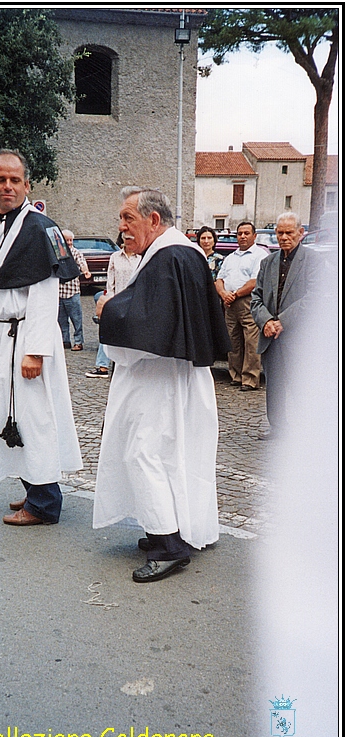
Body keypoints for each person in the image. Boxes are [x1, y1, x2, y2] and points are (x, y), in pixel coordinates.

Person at [93, 187, 231, 583]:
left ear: (154, 220)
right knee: (175, 456)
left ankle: (168, 545)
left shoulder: (168, 256)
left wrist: (106, 310)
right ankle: (176, 529)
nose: (121, 229)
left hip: (158, 380)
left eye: (127, 219)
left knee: (144, 453)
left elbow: (145, 323)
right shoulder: (180, 254)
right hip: (175, 377)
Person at [0, 148, 83, 525]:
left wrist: (34, 352)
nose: (7, 186)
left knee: (33, 417)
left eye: (14, 180)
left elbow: (44, 295)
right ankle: (33, 488)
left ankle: (46, 503)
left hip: (27, 338)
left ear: (27, 184)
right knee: (7, 415)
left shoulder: (41, 227)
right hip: (2, 335)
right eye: (0, 179)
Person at [250, 212, 318, 441]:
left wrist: (283, 321)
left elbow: (315, 297)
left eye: (289, 232)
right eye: (280, 233)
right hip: (271, 336)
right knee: (275, 386)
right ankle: (278, 427)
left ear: (301, 233)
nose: (284, 237)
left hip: (299, 337)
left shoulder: (313, 261)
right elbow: (256, 298)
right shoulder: (267, 262)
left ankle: (305, 430)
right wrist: (266, 321)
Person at [215, 221, 266, 391]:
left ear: (254, 236)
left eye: (246, 233)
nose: (242, 236)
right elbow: (219, 279)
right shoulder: (230, 257)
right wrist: (223, 294)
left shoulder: (259, 255)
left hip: (247, 301)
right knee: (232, 341)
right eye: (239, 233)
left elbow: (254, 281)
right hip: (229, 303)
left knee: (251, 341)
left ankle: (250, 379)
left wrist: (234, 294)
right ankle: (235, 376)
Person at [85, 233, 141, 378]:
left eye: (131, 236)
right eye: (125, 237)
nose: (128, 239)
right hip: (117, 300)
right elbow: (110, 282)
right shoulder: (115, 257)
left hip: (135, 301)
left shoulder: (141, 257)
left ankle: (132, 366)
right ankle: (102, 367)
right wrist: (109, 301)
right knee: (109, 331)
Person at [58, 230, 92, 351]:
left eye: (71, 240)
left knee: (76, 319)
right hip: (59, 292)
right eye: (67, 240)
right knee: (61, 320)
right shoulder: (57, 252)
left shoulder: (76, 252)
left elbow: (82, 263)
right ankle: (64, 340)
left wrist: (85, 271)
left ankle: (78, 342)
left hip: (72, 291)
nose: (69, 242)